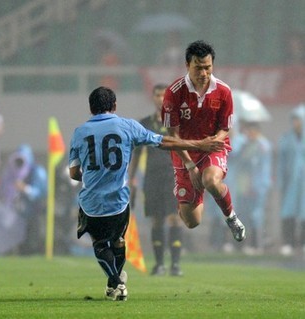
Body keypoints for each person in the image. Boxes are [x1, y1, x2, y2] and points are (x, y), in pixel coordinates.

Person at [68, 86, 224, 301]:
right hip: (118, 202)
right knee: (118, 241)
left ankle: (115, 281)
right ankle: (117, 281)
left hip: (91, 203)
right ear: (114, 106)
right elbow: (164, 141)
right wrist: (199, 144)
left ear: (90, 108)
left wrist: (93, 175)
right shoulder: (128, 126)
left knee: (100, 243)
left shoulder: (79, 132)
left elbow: (74, 173)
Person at [161, 40, 246, 243]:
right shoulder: (174, 92)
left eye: (207, 68)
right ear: (187, 65)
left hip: (212, 148)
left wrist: (213, 142)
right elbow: (172, 136)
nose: (204, 73)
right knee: (192, 222)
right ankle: (189, 197)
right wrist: (190, 165)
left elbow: (225, 128)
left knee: (210, 180)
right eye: (198, 68)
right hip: (185, 154)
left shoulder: (224, 91)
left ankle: (231, 217)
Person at [129, 83, 183, 276]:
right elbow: (136, 155)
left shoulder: (177, 123)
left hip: (173, 176)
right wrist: (132, 180)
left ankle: (175, 265)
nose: (161, 99)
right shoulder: (144, 124)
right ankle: (159, 264)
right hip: (151, 178)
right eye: (157, 95)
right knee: (156, 220)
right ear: (152, 98)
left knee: (175, 218)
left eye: (164, 96)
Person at [231, 121, 272, 254]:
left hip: (257, 185)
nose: (249, 134)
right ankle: (243, 244)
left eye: (252, 131)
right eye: (248, 132)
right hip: (244, 185)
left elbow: (263, 167)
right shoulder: (245, 145)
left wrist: (262, 184)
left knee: (256, 215)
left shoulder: (262, 146)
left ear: (257, 131)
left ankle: (256, 244)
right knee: (244, 214)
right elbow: (238, 160)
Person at [0, 144, 47, 255]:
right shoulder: (11, 171)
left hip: (32, 211)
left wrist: (25, 188)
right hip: (16, 212)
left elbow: (40, 192)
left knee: (31, 240)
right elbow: (5, 190)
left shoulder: (36, 172)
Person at [277, 105, 305, 256]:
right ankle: (288, 242)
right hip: (291, 183)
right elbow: (281, 162)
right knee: (288, 212)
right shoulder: (286, 139)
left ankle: (303, 242)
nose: (295, 123)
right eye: (293, 120)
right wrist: (281, 181)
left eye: (298, 120)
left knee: (304, 212)